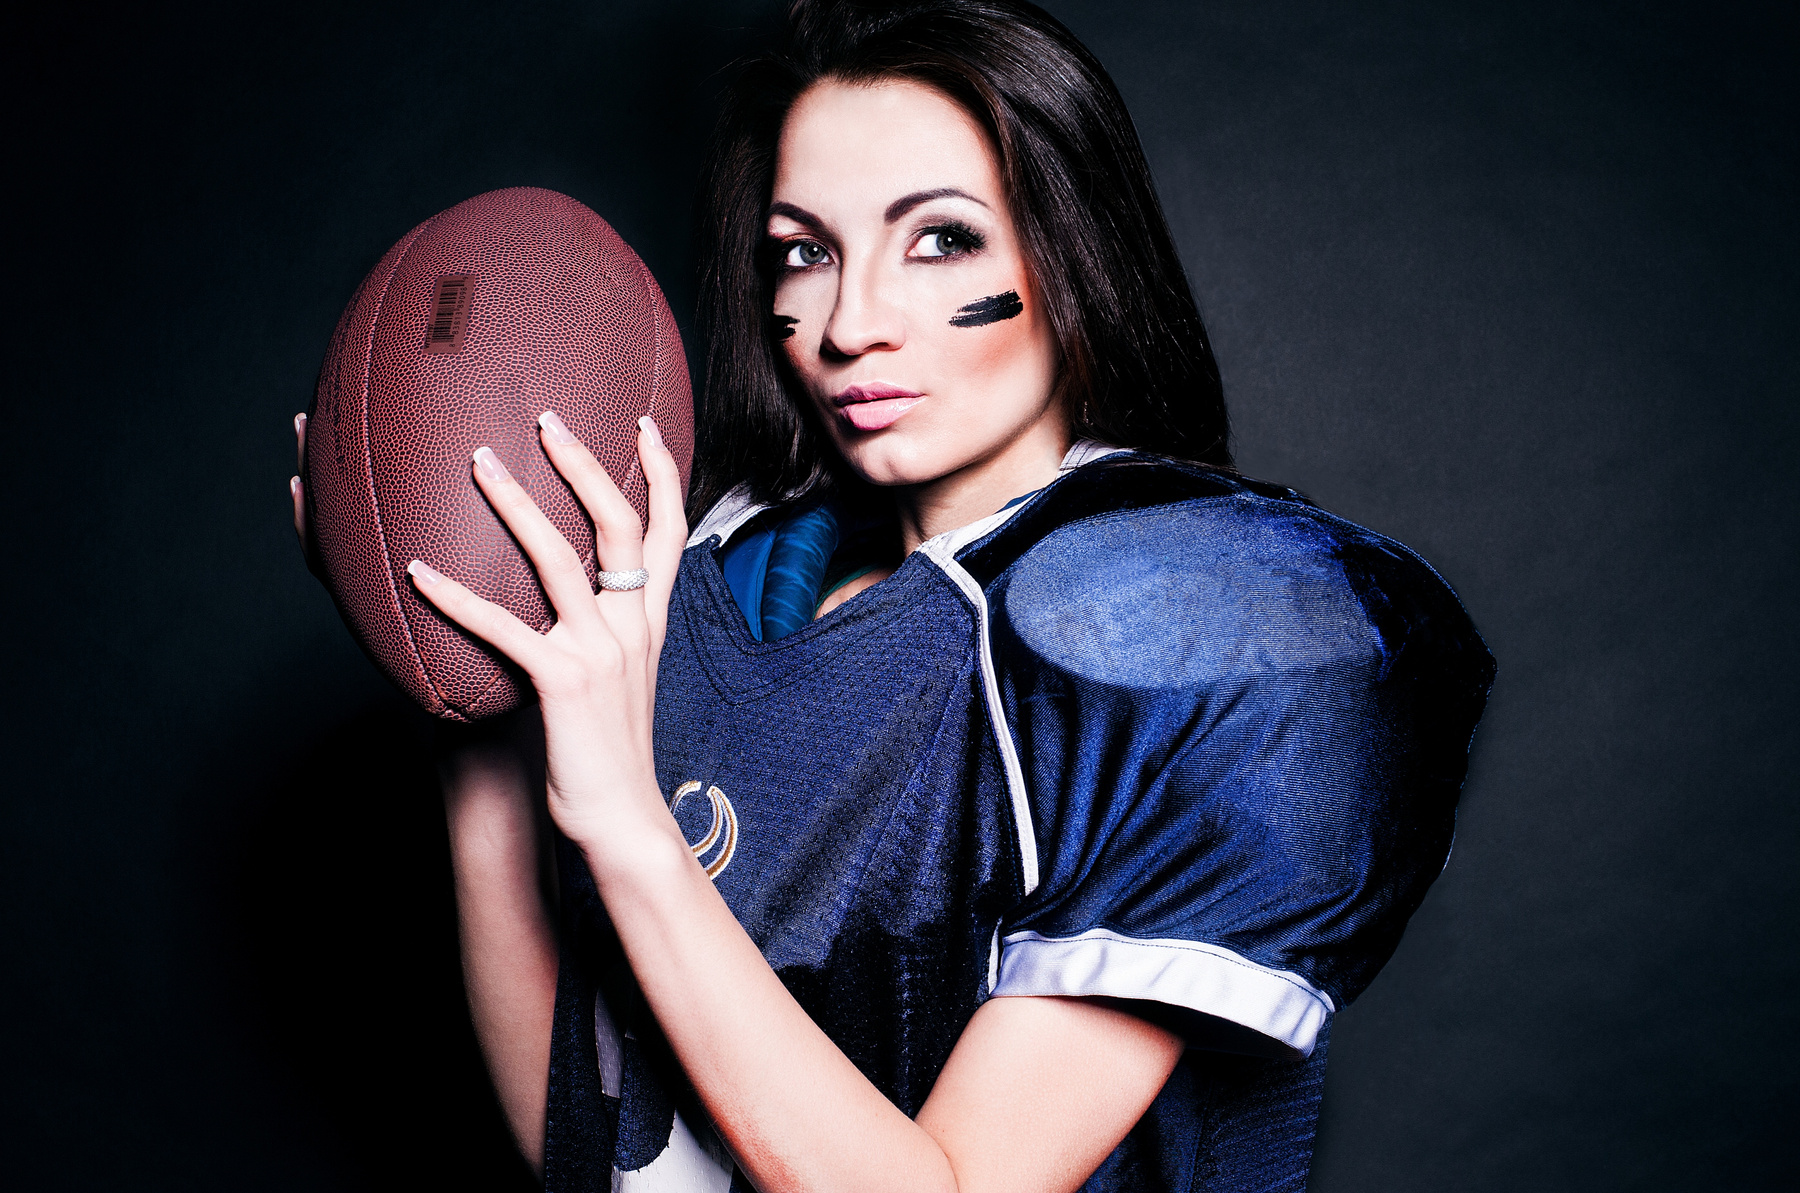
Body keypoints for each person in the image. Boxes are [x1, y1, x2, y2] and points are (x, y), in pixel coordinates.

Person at [293, 2, 1493, 1189]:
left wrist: (630, 828)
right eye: (805, 252)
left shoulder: (1199, 630)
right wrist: (477, 732)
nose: (849, 325)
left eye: (941, 239)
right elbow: (599, 1146)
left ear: (1074, 250)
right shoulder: (713, 576)